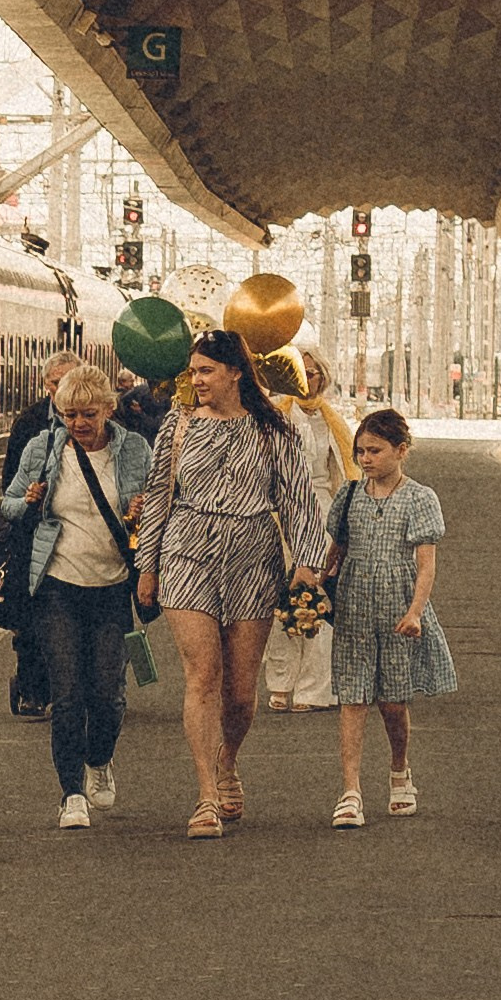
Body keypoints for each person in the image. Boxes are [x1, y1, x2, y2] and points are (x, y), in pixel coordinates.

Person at [133, 328, 326, 838]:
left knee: (240, 693)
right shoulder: (176, 425)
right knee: (202, 675)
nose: (195, 380)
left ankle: (228, 759)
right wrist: (147, 565)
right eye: (193, 371)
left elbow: (299, 499)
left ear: (235, 372)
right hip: (187, 551)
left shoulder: (273, 428)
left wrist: (306, 563)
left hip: (252, 557)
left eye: (205, 371)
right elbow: (158, 496)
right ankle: (204, 797)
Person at [3, 363, 153, 828]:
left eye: (88, 414)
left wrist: (142, 512)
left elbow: (166, 504)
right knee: (66, 694)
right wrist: (28, 500)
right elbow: (6, 504)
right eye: (69, 414)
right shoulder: (43, 447)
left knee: (108, 693)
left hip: (112, 588)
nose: (78, 424)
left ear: (110, 408)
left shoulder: (135, 451)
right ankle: (71, 794)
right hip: (56, 586)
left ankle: (100, 760)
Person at [325, 409, 455, 826]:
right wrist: (314, 589)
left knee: (393, 703)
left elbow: (426, 564)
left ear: (401, 451)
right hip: (354, 606)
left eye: (375, 451)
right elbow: (336, 551)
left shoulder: (420, 498)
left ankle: (400, 771)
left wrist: (416, 611)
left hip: (399, 608)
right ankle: (350, 791)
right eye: (360, 451)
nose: (365, 459)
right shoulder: (348, 497)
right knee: (353, 697)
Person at [262, 345, 355, 715]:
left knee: (319, 596)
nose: (305, 378)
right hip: (276, 513)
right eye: (298, 371)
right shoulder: (271, 417)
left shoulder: (333, 422)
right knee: (278, 599)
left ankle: (315, 686)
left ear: (322, 377)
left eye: (312, 372)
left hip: (322, 512)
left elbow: (346, 475)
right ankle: (281, 681)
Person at [1, 353, 83, 719]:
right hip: (34, 538)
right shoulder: (30, 424)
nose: (62, 391)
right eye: (55, 384)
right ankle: (33, 688)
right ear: (46, 385)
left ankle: (70, 691)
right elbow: (10, 488)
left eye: (69, 382)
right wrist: (27, 500)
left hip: (80, 539)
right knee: (32, 622)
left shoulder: (104, 424)